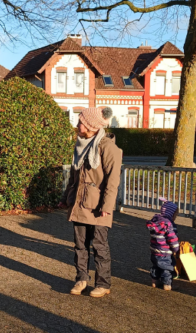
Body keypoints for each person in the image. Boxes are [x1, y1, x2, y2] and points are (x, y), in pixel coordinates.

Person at [59, 107, 122, 298]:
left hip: (98, 207)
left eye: (81, 122)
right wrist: (65, 199)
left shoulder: (108, 147)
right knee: (80, 245)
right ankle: (81, 279)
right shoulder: (81, 144)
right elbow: (74, 176)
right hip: (79, 204)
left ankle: (103, 283)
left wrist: (107, 207)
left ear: (91, 126)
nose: (78, 125)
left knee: (100, 246)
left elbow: (113, 180)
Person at [147, 199, 180, 291]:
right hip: (165, 251)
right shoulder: (169, 225)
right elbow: (172, 239)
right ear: (172, 214)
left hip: (154, 250)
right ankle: (167, 285)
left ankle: (154, 281)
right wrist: (176, 249)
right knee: (167, 268)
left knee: (156, 265)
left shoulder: (156, 221)